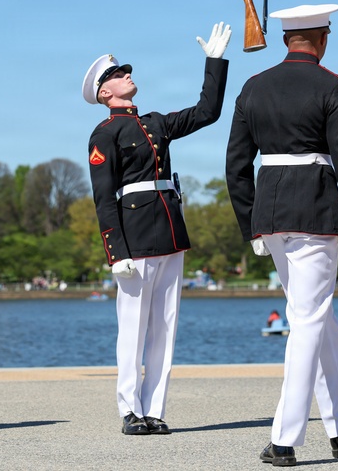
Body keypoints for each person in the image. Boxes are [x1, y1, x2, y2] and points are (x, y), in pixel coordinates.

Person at [225, 4, 338, 465]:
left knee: (316, 317)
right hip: (313, 209)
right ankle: (284, 438)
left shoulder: (253, 86)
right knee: (307, 321)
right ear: (322, 38)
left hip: (271, 211)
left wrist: (250, 224)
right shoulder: (332, 86)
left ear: (286, 39)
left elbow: (236, 166)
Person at [83, 22, 231, 436]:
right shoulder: (105, 133)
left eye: (124, 70)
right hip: (134, 237)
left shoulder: (156, 123)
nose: (126, 74)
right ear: (104, 93)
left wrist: (214, 63)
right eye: (117, 74)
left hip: (169, 231)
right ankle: (130, 410)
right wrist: (117, 253)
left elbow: (207, 112)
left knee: (165, 326)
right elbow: (103, 197)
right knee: (133, 328)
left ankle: (154, 409)